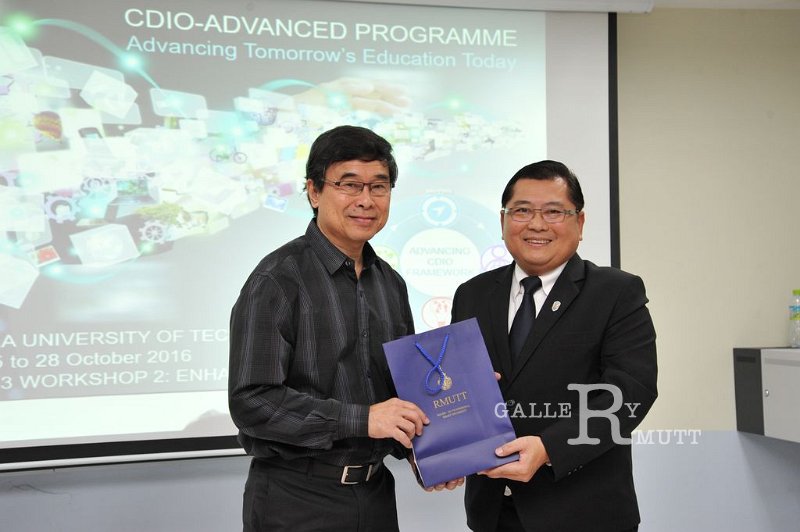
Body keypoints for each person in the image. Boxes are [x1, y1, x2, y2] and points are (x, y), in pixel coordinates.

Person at [228, 125, 458, 532]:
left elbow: (399, 390)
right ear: (314, 192)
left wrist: (429, 452)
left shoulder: (390, 282)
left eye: (379, 187)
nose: (366, 200)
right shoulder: (277, 279)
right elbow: (252, 401)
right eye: (349, 185)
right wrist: (361, 420)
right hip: (297, 500)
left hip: (375, 495)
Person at [450, 160, 658, 532]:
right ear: (503, 221)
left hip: (585, 514)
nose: (536, 224)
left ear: (580, 223)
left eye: (553, 212)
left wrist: (550, 447)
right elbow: (459, 387)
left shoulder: (615, 292)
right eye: (522, 211)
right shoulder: (472, 294)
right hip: (492, 513)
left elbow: (631, 393)